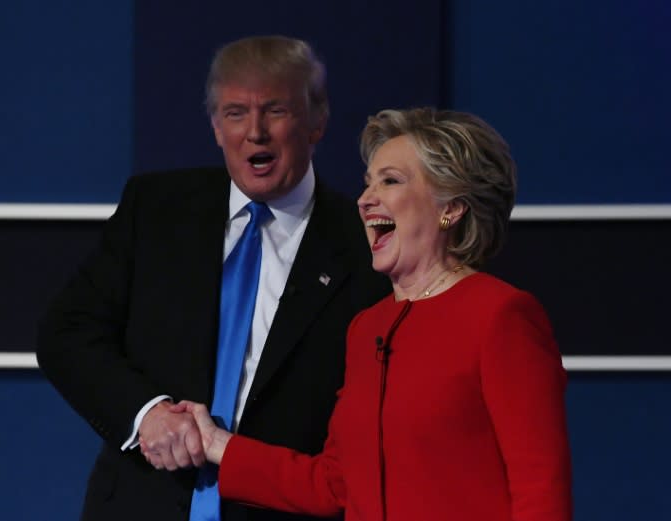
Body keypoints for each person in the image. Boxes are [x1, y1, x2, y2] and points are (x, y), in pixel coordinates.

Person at [35, 35, 390, 521]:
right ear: (215, 126)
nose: (255, 132)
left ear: (318, 121)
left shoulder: (363, 243)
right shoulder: (157, 208)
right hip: (143, 505)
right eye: (236, 113)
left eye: (276, 111)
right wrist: (147, 413)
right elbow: (67, 333)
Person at [166, 107, 573, 521]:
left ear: (450, 207)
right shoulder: (367, 327)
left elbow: (540, 489)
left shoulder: (499, 316)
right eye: (367, 184)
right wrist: (218, 444)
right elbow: (334, 483)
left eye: (390, 181)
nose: (364, 200)